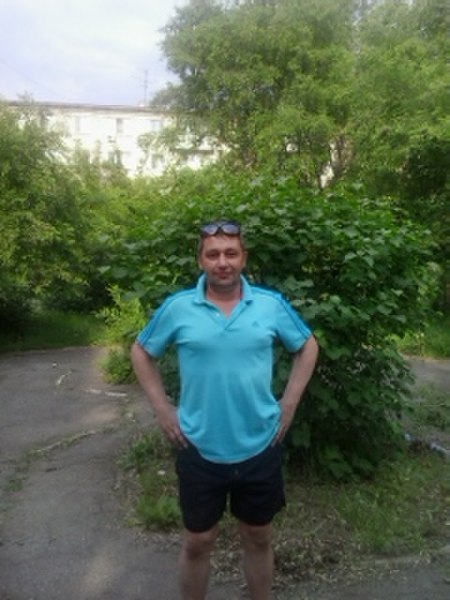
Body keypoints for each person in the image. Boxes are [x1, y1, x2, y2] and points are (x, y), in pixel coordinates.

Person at [131, 219, 319, 600]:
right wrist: (163, 409)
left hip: (260, 442)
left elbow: (307, 346)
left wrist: (289, 403)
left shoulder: (269, 305)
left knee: (258, 535)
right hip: (199, 444)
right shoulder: (179, 308)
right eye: (213, 254)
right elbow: (141, 351)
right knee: (198, 541)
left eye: (231, 253)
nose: (222, 262)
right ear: (200, 260)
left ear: (243, 258)